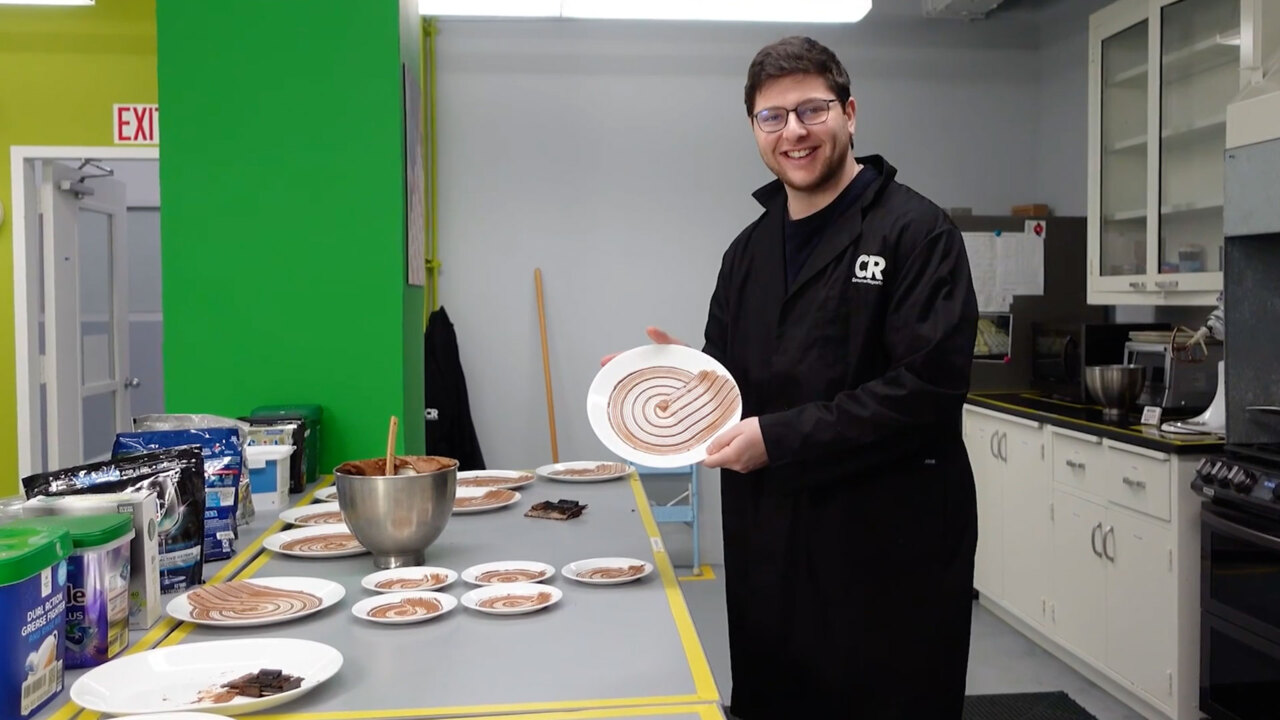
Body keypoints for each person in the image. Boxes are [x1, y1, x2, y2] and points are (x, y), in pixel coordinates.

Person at [603, 36, 979, 718]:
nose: (794, 132)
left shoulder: (916, 234)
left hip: (887, 545)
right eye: (772, 117)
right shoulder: (746, 252)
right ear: (754, 129)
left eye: (812, 110)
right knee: (778, 696)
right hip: (771, 539)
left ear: (851, 112)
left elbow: (927, 389)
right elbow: (733, 385)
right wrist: (672, 376)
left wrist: (776, 437)